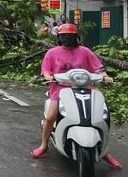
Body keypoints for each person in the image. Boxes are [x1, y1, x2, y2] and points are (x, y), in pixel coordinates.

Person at [32, 23, 122, 170]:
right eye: (65, 36)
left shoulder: (85, 51)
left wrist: (105, 76)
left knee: (101, 118)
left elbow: (98, 68)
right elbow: (46, 71)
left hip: (85, 90)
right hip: (60, 91)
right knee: (50, 117)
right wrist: (48, 77)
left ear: (76, 37)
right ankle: (44, 145)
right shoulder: (52, 53)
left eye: (71, 36)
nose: (68, 38)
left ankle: (105, 152)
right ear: (59, 37)